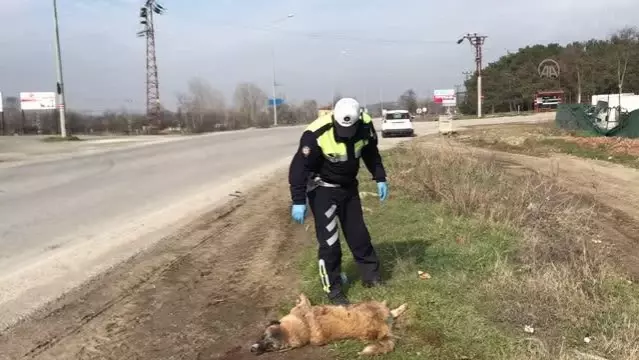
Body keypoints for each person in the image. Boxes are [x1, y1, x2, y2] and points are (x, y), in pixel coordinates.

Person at [288, 97, 389, 305]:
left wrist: (380, 177)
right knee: (330, 242)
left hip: (349, 188)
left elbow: (371, 153)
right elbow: (299, 169)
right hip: (322, 190)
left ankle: (371, 276)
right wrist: (298, 200)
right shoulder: (315, 134)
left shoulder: (365, 126)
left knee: (359, 235)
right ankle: (333, 289)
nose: (346, 135)